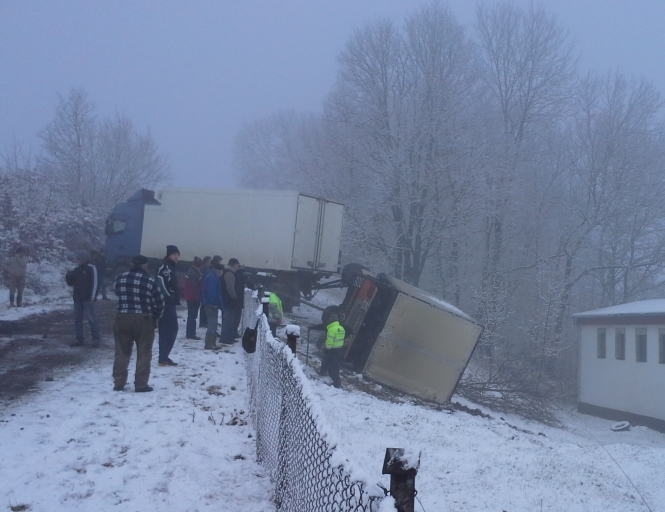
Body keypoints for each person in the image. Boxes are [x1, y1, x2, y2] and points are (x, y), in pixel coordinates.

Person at [112, 255, 165, 392]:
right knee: (144, 352)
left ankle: (119, 382)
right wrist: (155, 317)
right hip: (144, 319)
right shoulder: (150, 281)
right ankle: (141, 384)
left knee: (121, 352)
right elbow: (159, 302)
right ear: (145, 265)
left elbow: (116, 292)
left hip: (122, 317)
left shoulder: (120, 278)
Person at [66, 251, 101, 347]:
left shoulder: (91, 268)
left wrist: (92, 297)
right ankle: (79, 339)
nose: (76, 261)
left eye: (78, 259)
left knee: (92, 319)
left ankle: (96, 339)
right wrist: (68, 276)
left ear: (83, 259)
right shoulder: (76, 270)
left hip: (88, 299)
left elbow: (95, 283)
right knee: (77, 320)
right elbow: (71, 283)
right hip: (77, 298)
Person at [156, 245, 181, 366]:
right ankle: (163, 356)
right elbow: (161, 282)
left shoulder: (171, 266)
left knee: (171, 329)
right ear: (169, 255)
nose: (176, 257)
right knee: (168, 329)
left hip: (171, 303)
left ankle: (164, 356)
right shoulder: (165, 267)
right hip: (166, 303)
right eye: (174, 254)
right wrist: (169, 295)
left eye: (177, 254)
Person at [318, 313, 345, 388]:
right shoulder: (341, 328)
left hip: (331, 351)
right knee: (334, 366)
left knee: (332, 367)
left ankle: (337, 383)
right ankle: (323, 371)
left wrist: (326, 349)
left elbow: (329, 342)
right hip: (338, 350)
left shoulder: (331, 329)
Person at [202, 262, 224, 350]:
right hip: (211, 304)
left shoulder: (211, 276)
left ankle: (212, 343)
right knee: (212, 323)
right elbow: (211, 291)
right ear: (219, 270)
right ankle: (209, 344)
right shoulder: (212, 278)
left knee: (213, 323)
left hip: (209, 303)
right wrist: (215, 302)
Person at [220, 258, 241, 345]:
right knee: (228, 320)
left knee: (229, 319)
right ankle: (225, 338)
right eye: (237, 265)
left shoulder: (228, 272)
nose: (238, 267)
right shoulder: (230, 274)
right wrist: (235, 297)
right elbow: (230, 288)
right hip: (229, 300)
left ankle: (228, 337)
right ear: (233, 265)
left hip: (227, 299)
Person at [184, 256, 204, 340]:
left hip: (191, 297)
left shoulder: (191, 271)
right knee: (192, 316)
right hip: (193, 298)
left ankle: (190, 333)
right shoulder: (194, 273)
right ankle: (191, 334)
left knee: (191, 316)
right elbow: (194, 287)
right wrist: (198, 298)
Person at [198, 256, 213, 328]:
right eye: (210, 261)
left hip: (204, 288)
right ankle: (203, 321)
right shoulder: (204, 269)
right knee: (203, 306)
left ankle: (204, 321)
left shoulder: (206, 268)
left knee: (204, 306)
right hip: (204, 289)